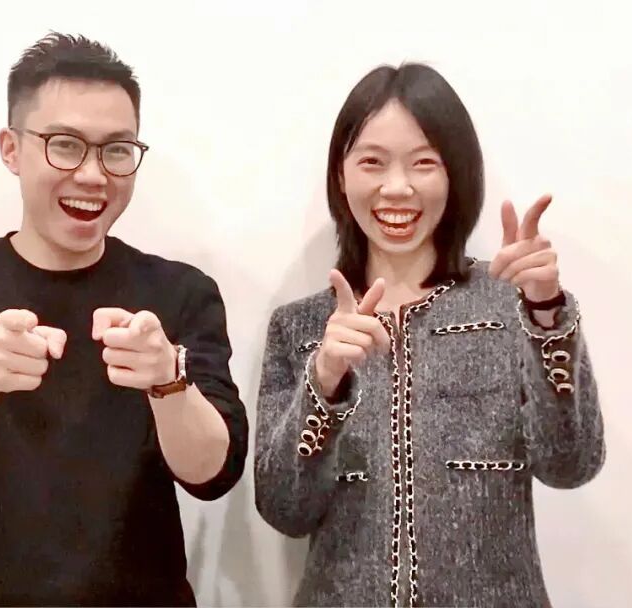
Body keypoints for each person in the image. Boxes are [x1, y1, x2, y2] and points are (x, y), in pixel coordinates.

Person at [0, 32, 247, 607]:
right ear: (11, 149)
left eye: (117, 150)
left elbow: (215, 473)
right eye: (64, 145)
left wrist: (168, 380)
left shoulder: (179, 294)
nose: (93, 175)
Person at [254, 62, 604, 607]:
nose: (397, 188)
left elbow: (570, 464)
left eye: (424, 163)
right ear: (341, 176)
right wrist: (323, 383)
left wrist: (545, 314)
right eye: (372, 162)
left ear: (455, 174)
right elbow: (284, 510)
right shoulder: (299, 327)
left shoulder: (514, 303)